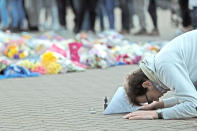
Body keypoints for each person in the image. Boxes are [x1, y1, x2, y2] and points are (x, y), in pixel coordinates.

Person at [123, 30, 197, 120]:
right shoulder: (158, 65)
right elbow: (190, 96)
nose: (156, 99)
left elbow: (193, 106)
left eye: (150, 100)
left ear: (147, 84)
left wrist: (156, 114)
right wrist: (160, 104)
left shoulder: (165, 67)